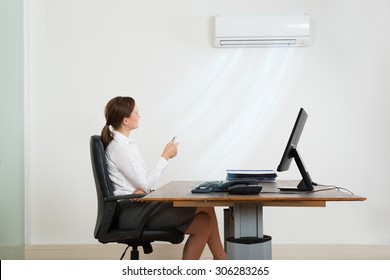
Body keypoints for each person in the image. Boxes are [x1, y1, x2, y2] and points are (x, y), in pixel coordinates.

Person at [101, 96, 227, 260]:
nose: (139, 116)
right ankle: (223, 261)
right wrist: (165, 156)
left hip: (138, 205)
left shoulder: (127, 145)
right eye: (136, 113)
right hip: (132, 213)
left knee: (204, 224)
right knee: (206, 206)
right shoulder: (120, 148)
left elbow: (142, 184)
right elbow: (145, 184)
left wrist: (142, 190)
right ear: (125, 120)